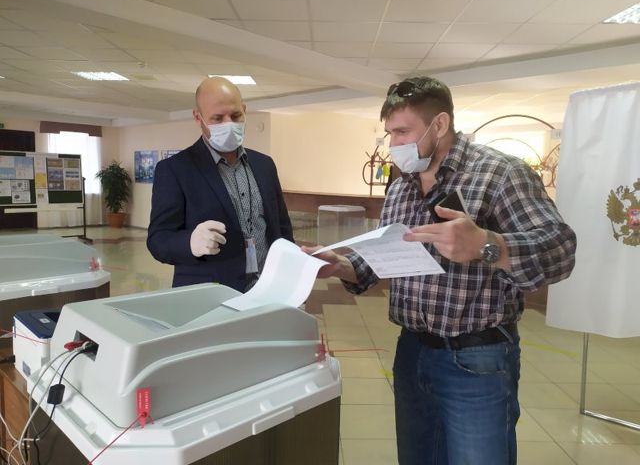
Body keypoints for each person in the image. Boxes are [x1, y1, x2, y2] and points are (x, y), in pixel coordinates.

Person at [305, 76, 577, 465]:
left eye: (403, 132)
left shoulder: (499, 173)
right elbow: (384, 258)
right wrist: (340, 265)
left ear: (440, 124)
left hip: (476, 357)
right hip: (411, 352)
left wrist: (486, 245)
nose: (394, 144)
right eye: (389, 133)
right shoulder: (401, 186)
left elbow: (560, 249)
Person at [147, 77, 293, 291]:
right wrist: (189, 242)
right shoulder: (175, 170)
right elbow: (158, 241)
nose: (229, 124)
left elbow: (282, 228)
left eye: (236, 116)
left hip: (266, 289)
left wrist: (290, 276)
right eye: (217, 118)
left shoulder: (265, 165)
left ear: (244, 111)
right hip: (209, 294)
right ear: (198, 117)